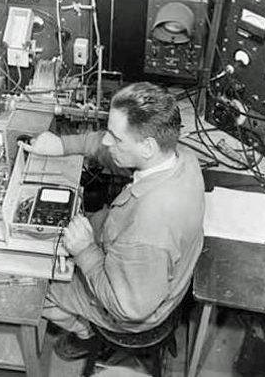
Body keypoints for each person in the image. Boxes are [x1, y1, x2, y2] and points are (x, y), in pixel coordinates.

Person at [24, 82, 205, 360]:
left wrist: (85, 253)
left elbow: (128, 308)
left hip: (132, 309)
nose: (107, 141)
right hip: (137, 258)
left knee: (36, 285)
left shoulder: (149, 228)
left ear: (146, 146)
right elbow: (107, 148)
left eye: (116, 137)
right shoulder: (181, 157)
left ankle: (86, 332)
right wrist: (63, 145)